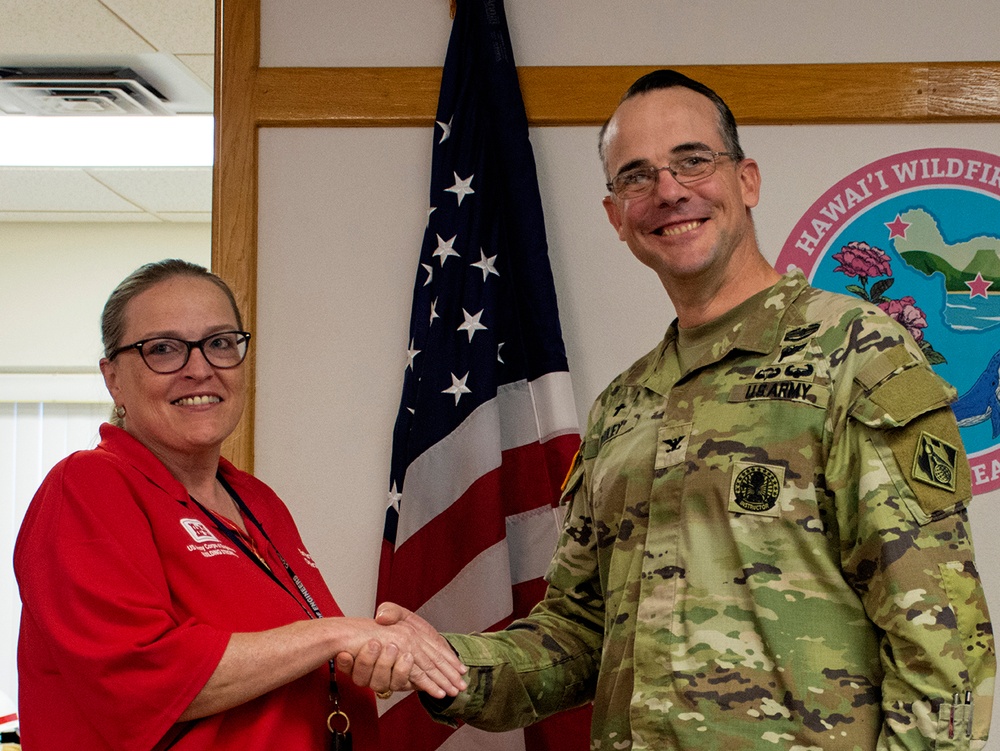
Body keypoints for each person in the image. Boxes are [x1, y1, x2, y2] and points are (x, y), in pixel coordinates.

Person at [345, 70, 996, 749]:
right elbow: (575, 635)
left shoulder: (858, 357)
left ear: (747, 180)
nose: (668, 190)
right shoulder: (623, 408)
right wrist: (447, 663)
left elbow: (939, 642)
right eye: (636, 176)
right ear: (616, 217)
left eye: (693, 160)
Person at [14, 259, 466, 750]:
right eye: (163, 349)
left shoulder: (257, 500)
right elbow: (139, 678)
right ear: (114, 379)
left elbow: (285, 665)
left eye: (220, 343)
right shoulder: (86, 486)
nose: (200, 368)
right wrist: (336, 636)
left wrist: (374, 646)